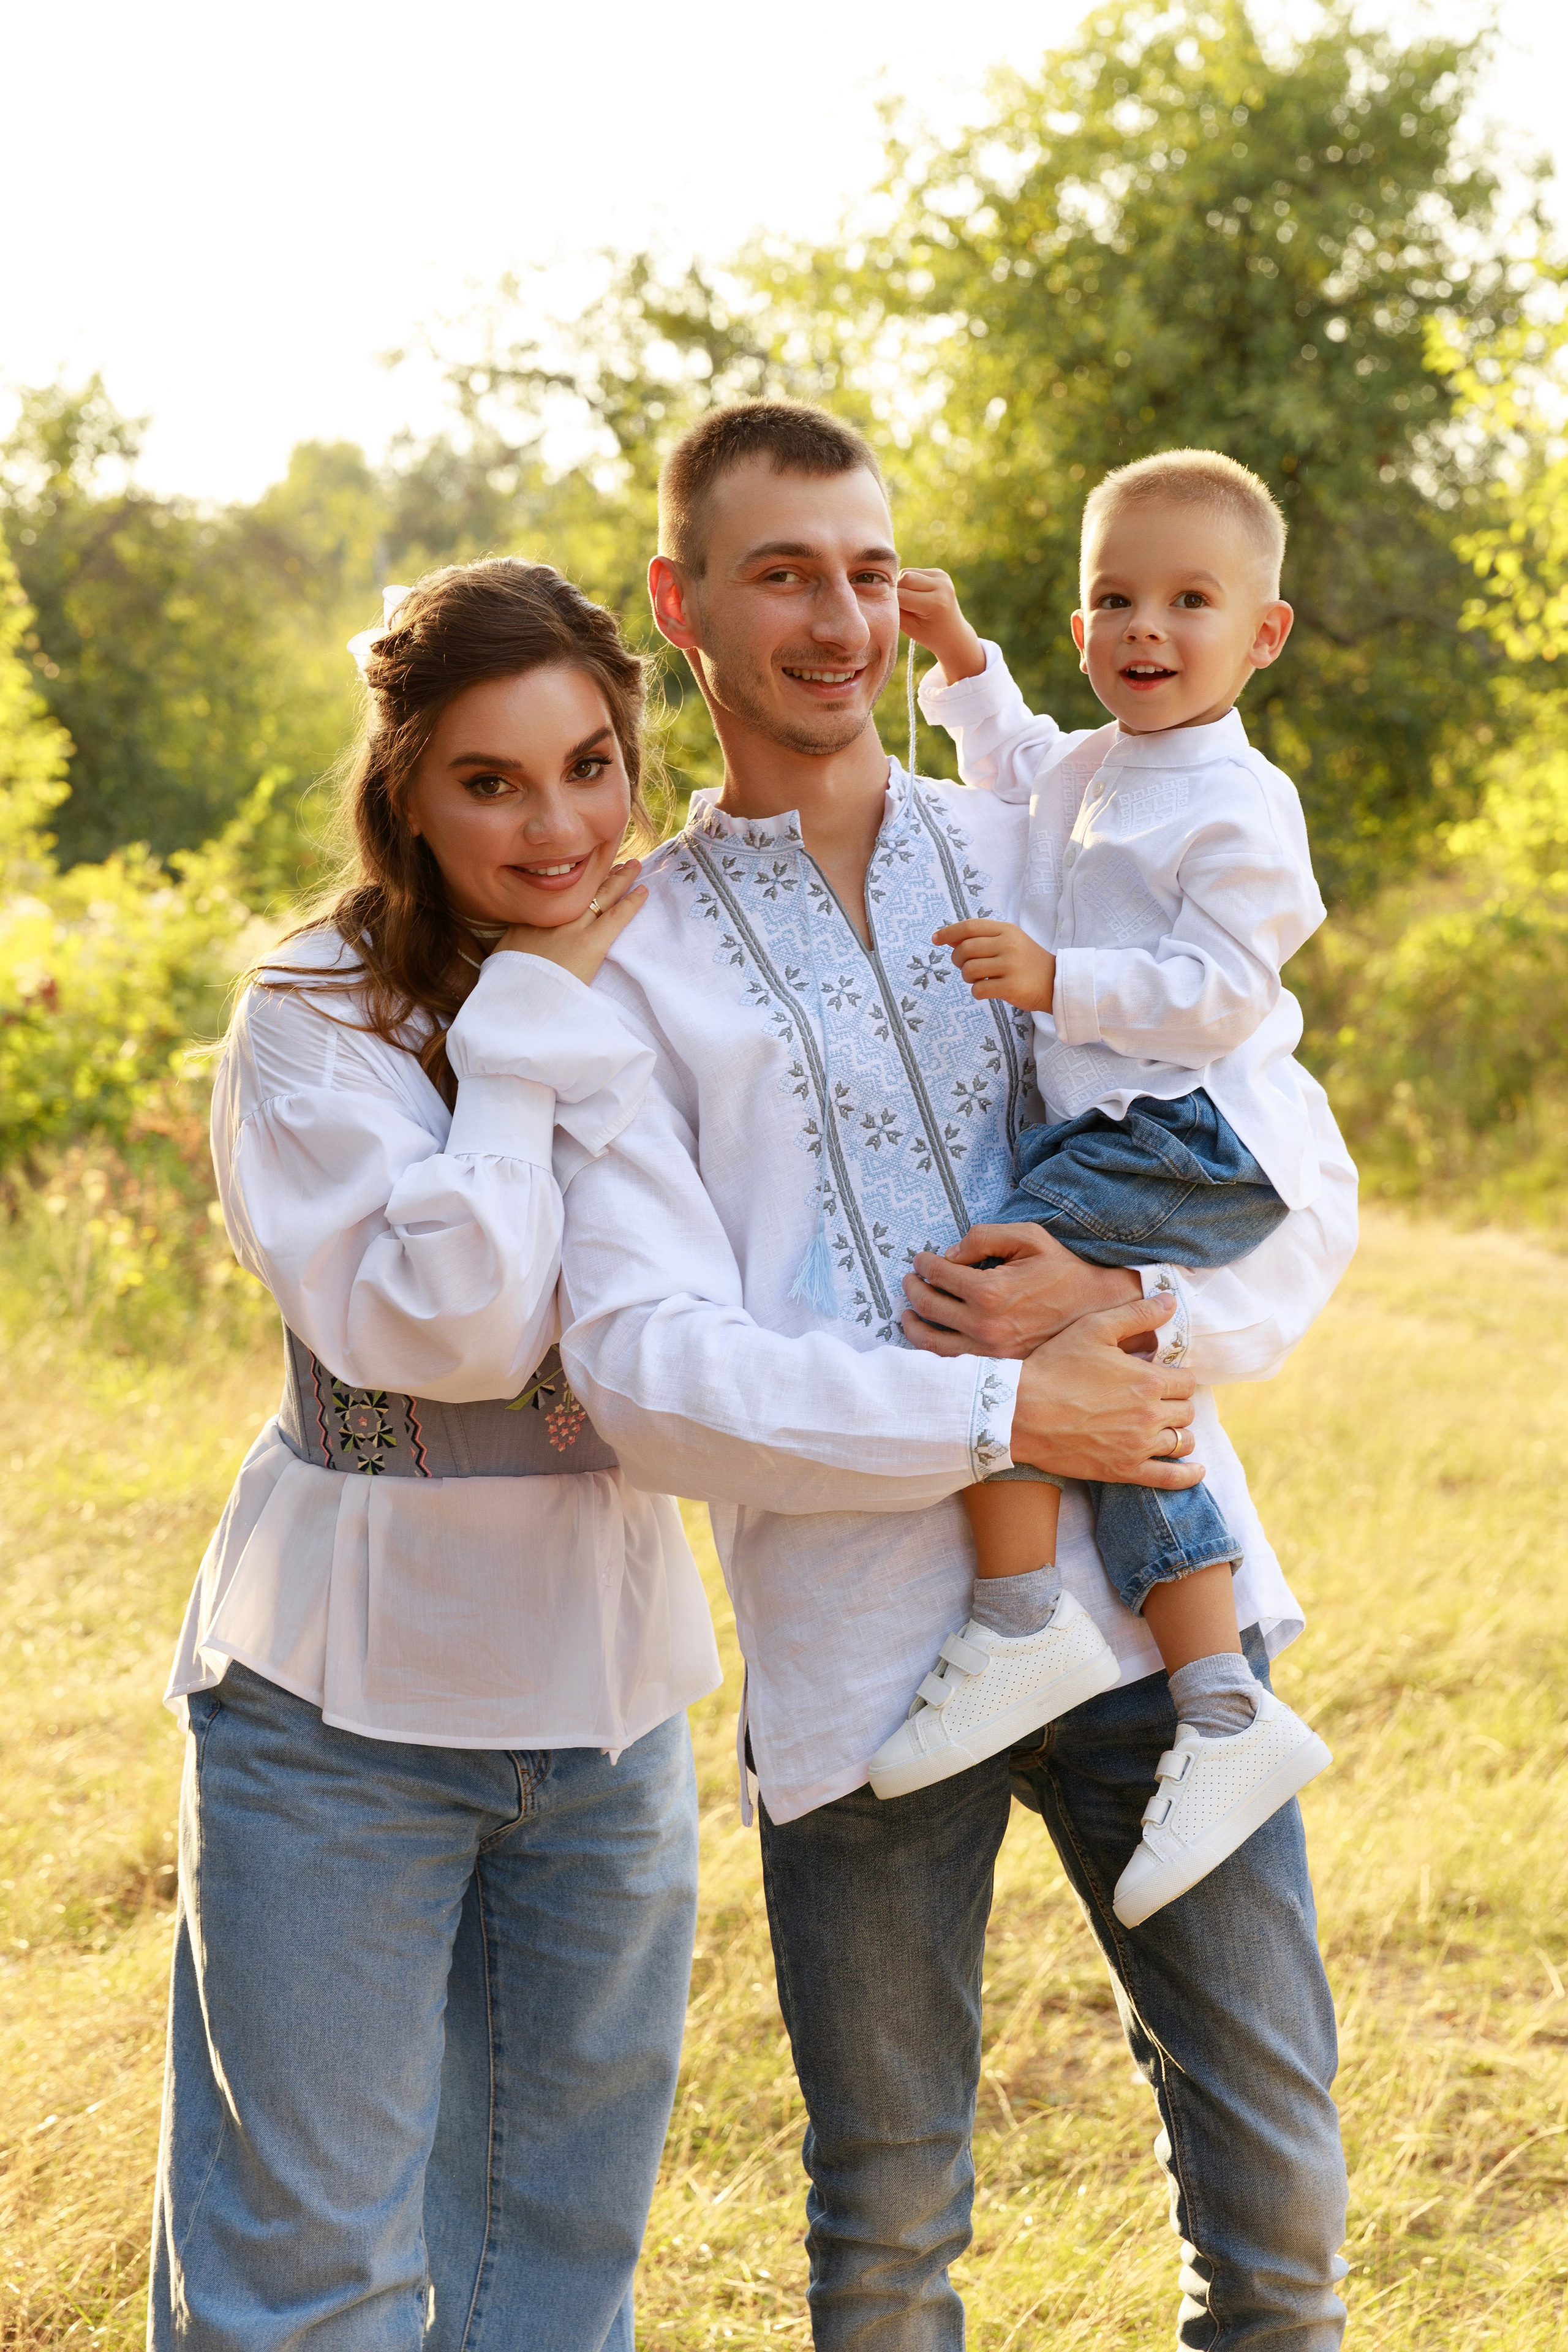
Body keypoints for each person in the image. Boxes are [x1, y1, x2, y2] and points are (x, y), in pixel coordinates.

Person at [559, 401, 1356, 2348]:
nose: (837, 622)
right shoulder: (630, 952)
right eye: (780, 575)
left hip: (1163, 1611)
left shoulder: (1044, 837)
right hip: (866, 1664)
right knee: (890, 2229)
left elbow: (1296, 1177)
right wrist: (1006, 1404)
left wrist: (1120, 1288)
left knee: (1278, 2214)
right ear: (680, 601)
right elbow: (649, 1371)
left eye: (863, 570)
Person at [150, 559, 721, 2352]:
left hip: (606, 1696)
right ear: (404, 789)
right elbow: (448, 1329)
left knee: (549, 2253)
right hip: (344, 1709)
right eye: (492, 781)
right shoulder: (308, 1017)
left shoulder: (669, 959)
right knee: (307, 2270)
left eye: (591, 766)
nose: (558, 828)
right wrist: (532, 1033)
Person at [875, 451, 1331, 1929]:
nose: (1147, 627)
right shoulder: (1088, 765)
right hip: (1131, 1134)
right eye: (1115, 600)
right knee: (1085, 1360)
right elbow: (1009, 760)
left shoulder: (1239, 804)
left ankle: (1021, 1619)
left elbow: (1219, 991)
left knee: (989, 1300)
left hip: (1192, 1130)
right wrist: (957, 656)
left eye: (1190, 601)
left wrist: (1057, 980)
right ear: (1080, 630)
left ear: (1259, 634)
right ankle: (1218, 1704)